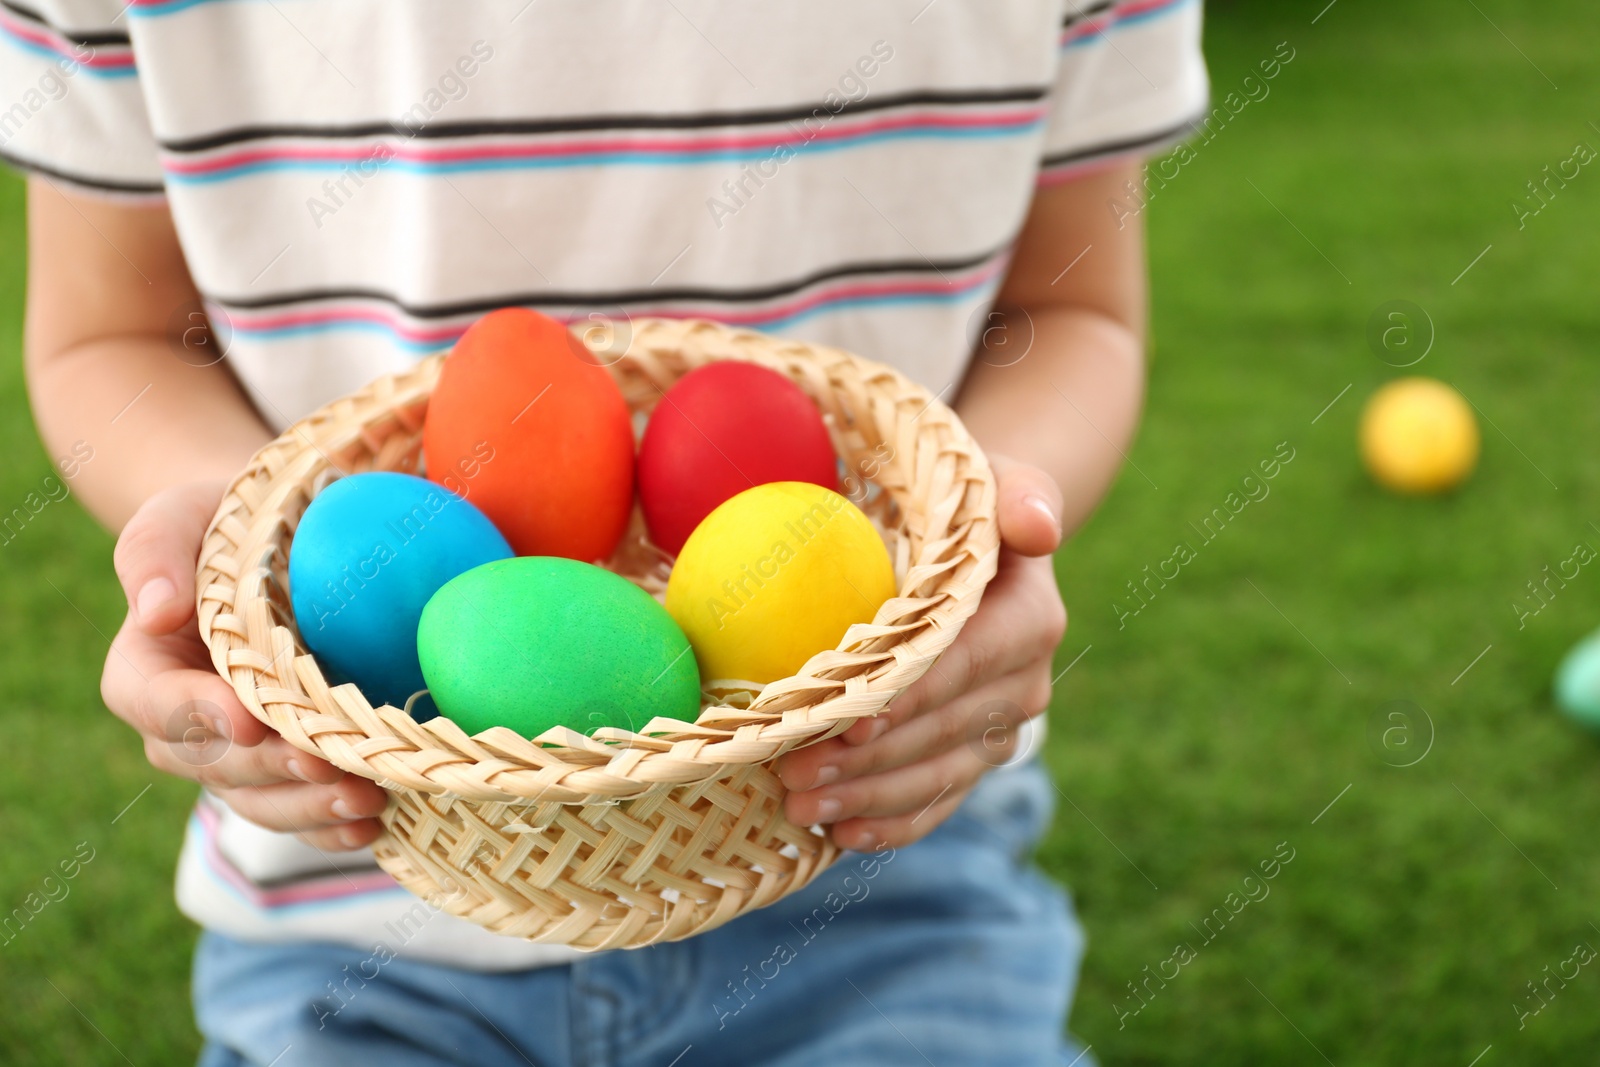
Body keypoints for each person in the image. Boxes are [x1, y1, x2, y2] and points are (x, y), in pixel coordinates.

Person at [6, 1, 1206, 1063]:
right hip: (357, 885)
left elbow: (1070, 304)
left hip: (871, 842)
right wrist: (238, 532)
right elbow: (110, 328)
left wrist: (990, 522)